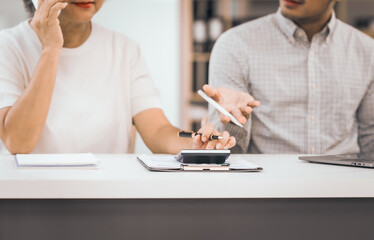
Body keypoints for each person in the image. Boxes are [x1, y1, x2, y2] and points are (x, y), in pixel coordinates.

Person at [0, 0, 236, 154]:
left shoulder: (125, 49)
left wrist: (197, 143)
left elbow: (157, 131)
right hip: (34, 201)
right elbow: (18, 142)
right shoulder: (8, 46)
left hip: (110, 199)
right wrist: (51, 49)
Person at [204, 0, 374, 154]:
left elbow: (370, 144)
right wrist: (233, 124)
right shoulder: (235, 45)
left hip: (346, 185)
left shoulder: (367, 51)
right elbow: (226, 153)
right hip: (267, 184)